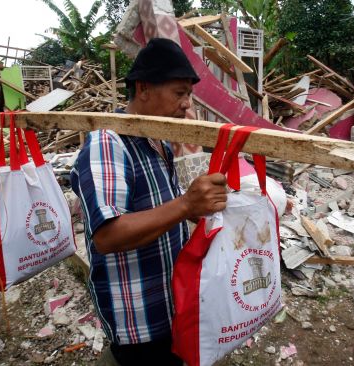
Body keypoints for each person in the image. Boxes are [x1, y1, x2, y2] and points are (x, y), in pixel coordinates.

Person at [70, 38, 228, 365]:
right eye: (179, 93)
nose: (187, 105)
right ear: (143, 89)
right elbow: (107, 236)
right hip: (137, 316)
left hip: (168, 301)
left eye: (189, 94)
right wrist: (186, 205)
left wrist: (202, 212)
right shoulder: (107, 143)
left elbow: (162, 210)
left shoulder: (156, 141)